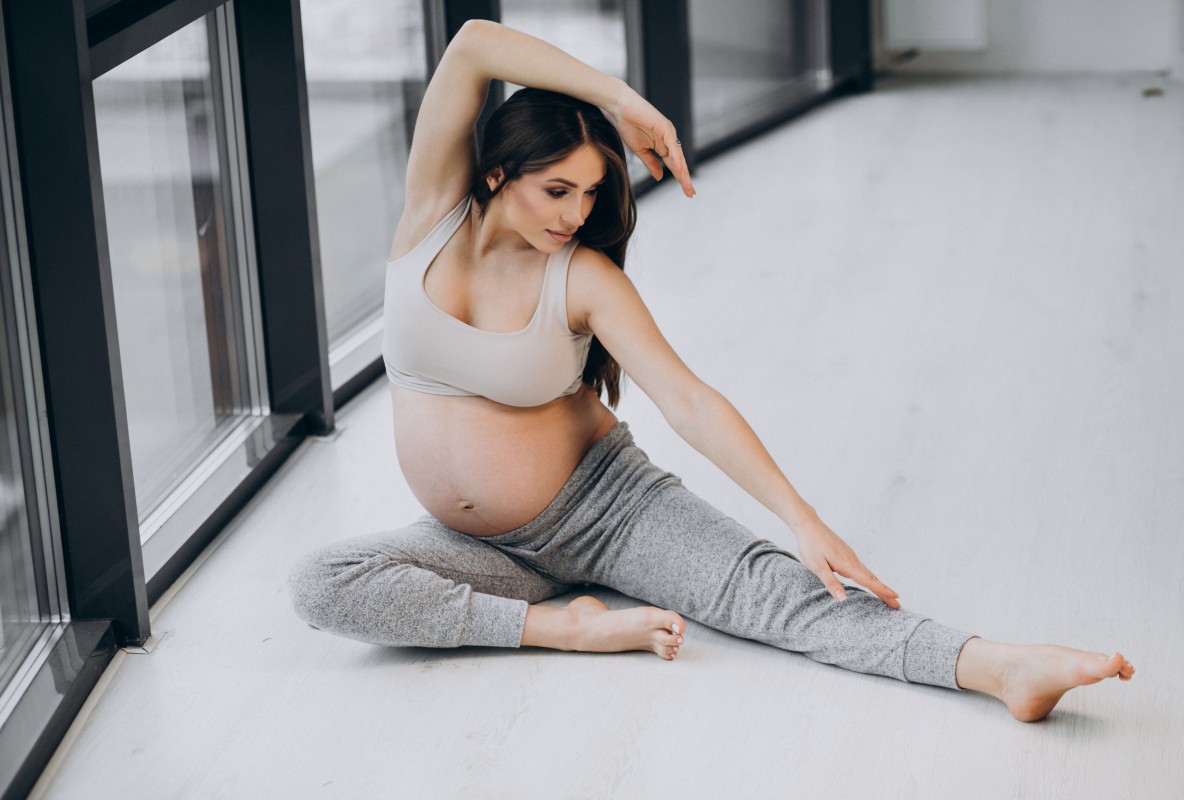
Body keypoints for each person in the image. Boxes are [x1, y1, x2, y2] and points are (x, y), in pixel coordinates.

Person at [287, 19, 1134, 723]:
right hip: (482, 548)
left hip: (605, 513)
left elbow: (688, 400)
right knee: (323, 584)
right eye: (558, 191)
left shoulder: (583, 277)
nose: (577, 214)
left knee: (775, 595)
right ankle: (565, 628)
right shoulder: (431, 215)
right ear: (499, 173)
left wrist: (802, 519)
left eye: (592, 193)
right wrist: (620, 101)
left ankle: (999, 667)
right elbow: (473, 43)